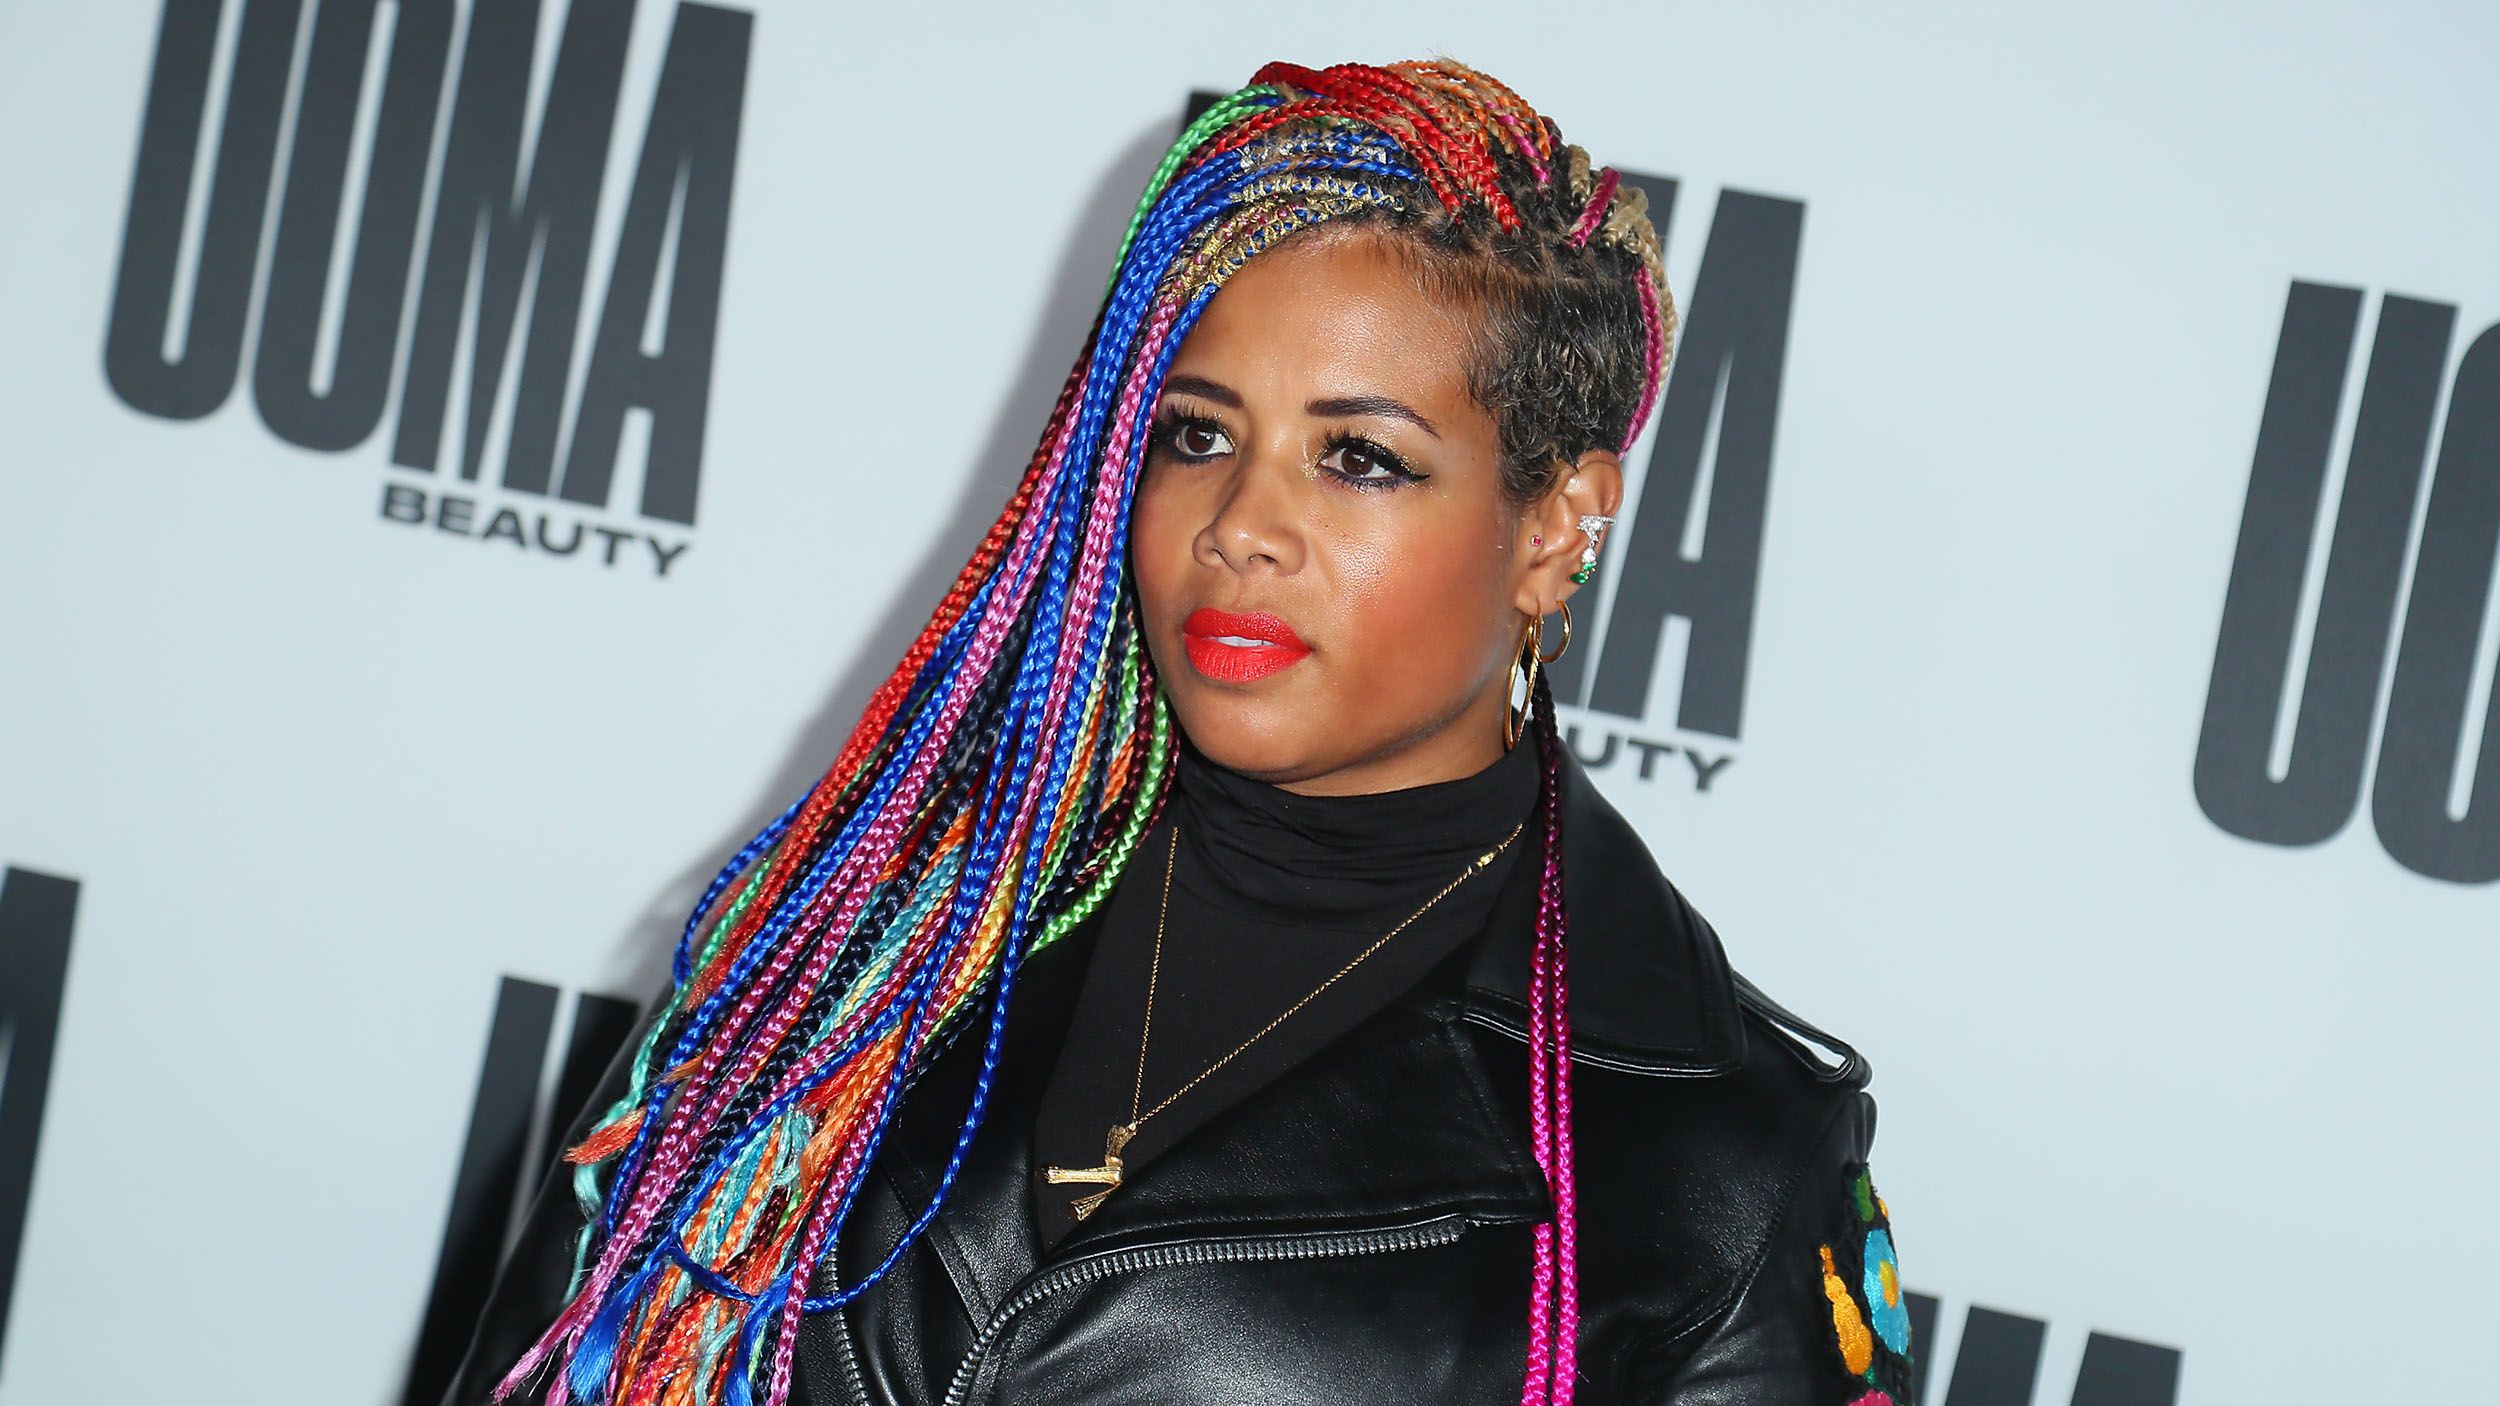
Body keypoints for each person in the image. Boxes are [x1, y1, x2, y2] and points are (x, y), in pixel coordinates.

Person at [445, 58, 1915, 1406]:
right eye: (1197, 434)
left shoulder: (1724, 1157)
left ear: (1557, 525)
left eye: (1359, 458)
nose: (1240, 526)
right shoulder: (872, 910)